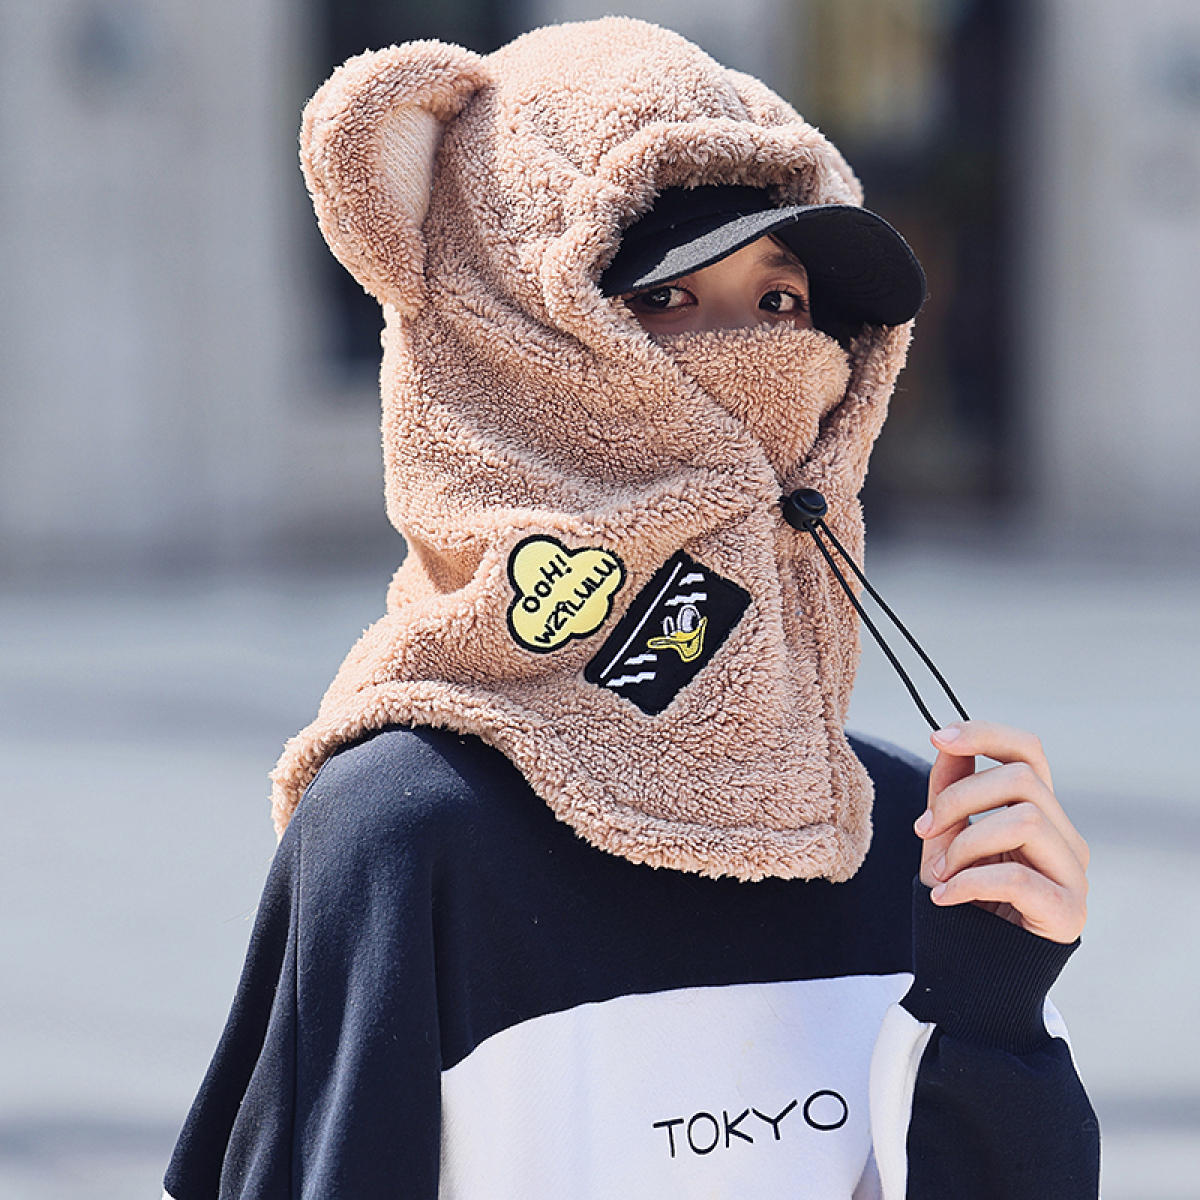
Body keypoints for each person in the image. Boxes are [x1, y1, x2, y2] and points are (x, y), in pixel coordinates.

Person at [163, 18, 1098, 1199]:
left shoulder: (916, 836)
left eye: (781, 301)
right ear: (509, 349)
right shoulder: (405, 830)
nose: (756, 352)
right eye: (663, 296)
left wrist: (994, 1015)